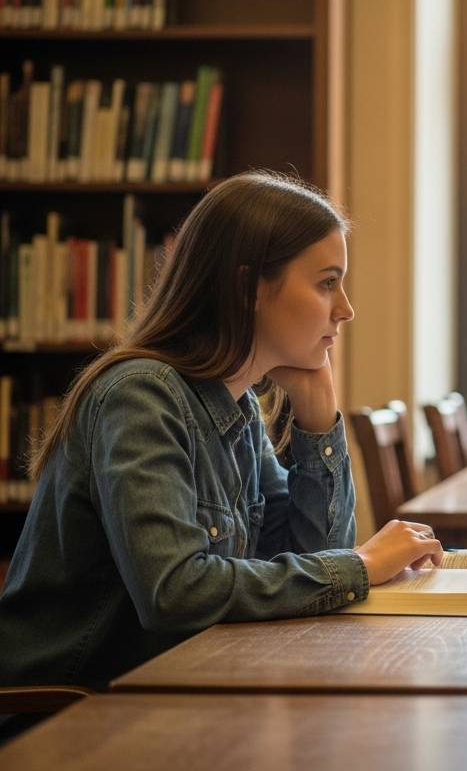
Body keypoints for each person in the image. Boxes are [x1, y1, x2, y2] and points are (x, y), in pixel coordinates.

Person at [0, 171, 443, 704]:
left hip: (167, 695)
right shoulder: (141, 397)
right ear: (248, 287)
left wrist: (318, 420)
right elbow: (175, 593)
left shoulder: (235, 408)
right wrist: (364, 565)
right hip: (67, 711)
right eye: (328, 282)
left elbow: (315, 557)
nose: (345, 308)